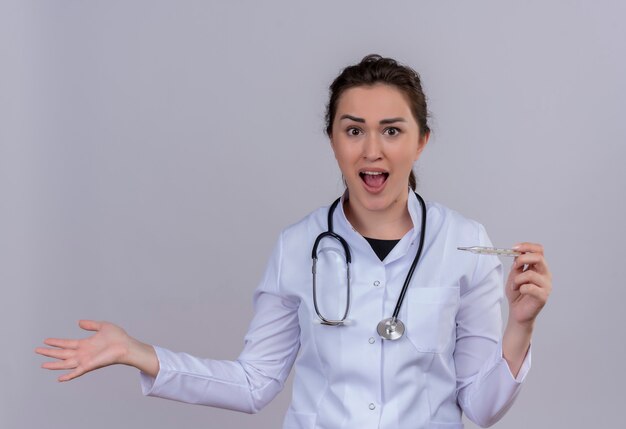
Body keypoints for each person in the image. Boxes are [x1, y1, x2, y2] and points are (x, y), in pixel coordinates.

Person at [36, 54, 552, 429]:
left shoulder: (464, 244)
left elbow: (481, 409)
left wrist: (521, 325)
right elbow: (254, 383)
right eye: (354, 131)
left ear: (421, 141)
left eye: (392, 131)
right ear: (333, 139)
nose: (372, 150)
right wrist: (140, 353)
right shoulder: (298, 246)